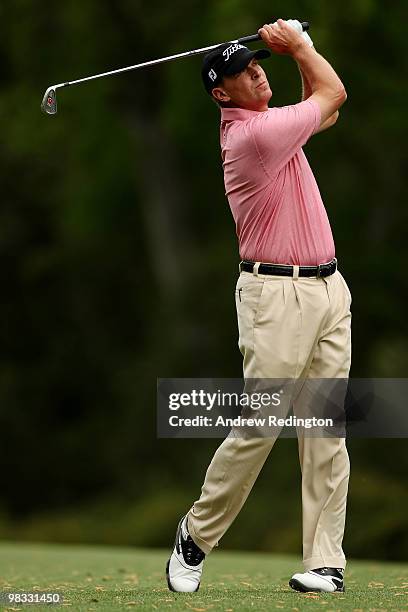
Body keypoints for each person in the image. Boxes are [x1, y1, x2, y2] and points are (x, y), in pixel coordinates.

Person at [166, 18, 351, 594]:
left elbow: (327, 110)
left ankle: (325, 562)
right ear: (222, 95)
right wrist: (301, 46)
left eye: (257, 64)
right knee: (262, 426)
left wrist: (295, 55)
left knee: (326, 428)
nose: (255, 71)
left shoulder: (271, 123)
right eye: (243, 72)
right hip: (275, 296)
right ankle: (195, 535)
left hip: (328, 289)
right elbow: (334, 94)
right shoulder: (251, 137)